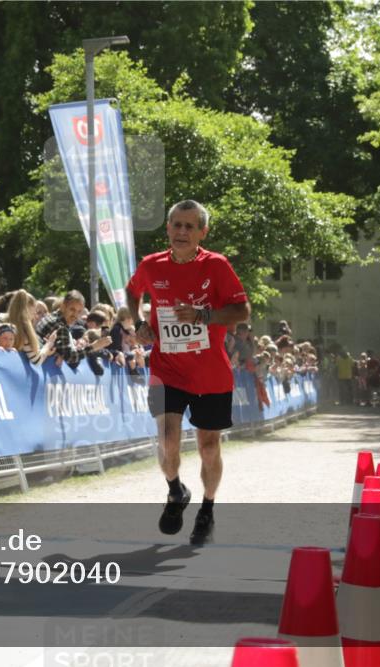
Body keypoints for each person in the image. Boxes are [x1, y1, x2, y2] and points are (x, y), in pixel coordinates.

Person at [126, 199, 250, 546]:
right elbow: (131, 291)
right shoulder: (151, 265)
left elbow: (241, 310)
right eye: (176, 225)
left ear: (202, 232)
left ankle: (207, 509)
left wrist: (203, 316)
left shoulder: (217, 265)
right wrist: (139, 323)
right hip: (166, 368)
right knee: (166, 441)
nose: (182, 231)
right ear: (168, 228)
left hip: (210, 373)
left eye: (189, 226)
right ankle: (175, 490)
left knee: (209, 447)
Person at [35, 290, 110, 367]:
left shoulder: (50, 317)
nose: (75, 315)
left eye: (79, 311)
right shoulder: (60, 326)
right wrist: (94, 346)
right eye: (72, 309)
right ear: (63, 306)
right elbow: (71, 358)